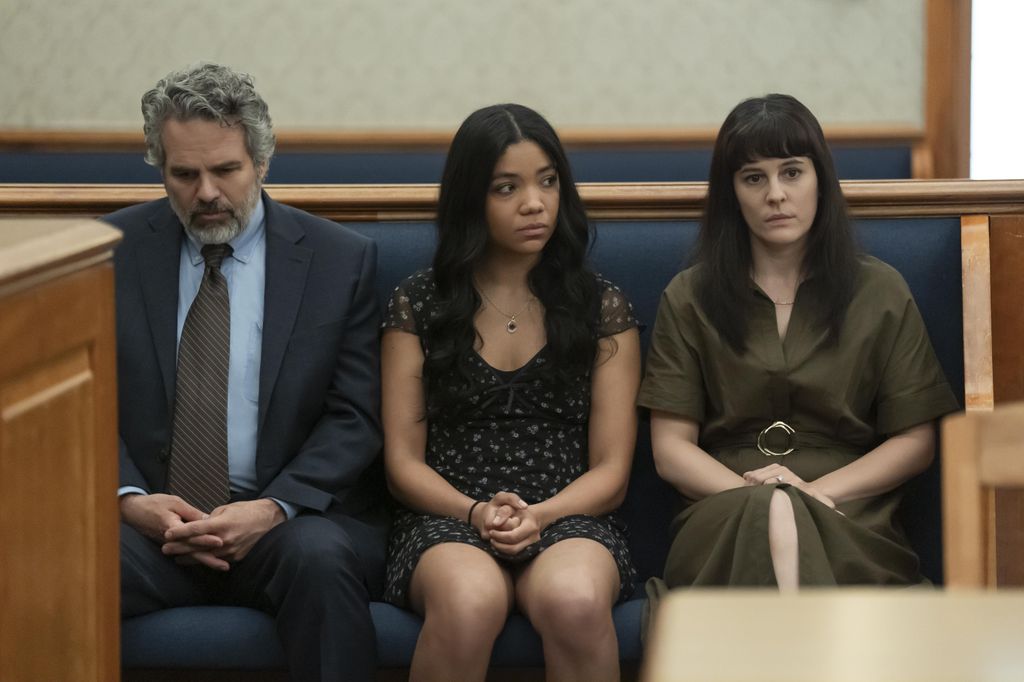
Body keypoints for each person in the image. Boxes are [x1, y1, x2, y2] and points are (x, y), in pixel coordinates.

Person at [104, 63, 386, 682]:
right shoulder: (109, 252)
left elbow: (356, 415)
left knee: (322, 558)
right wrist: (130, 501)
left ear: (261, 161)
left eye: (225, 170)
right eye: (184, 174)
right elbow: (82, 405)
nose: (205, 192)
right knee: (49, 559)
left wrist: (273, 509)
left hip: (283, 525)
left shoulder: (340, 260)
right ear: (161, 169)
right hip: (155, 524)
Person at [637, 94, 959, 601]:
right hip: (723, 507)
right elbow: (671, 450)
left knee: (784, 514)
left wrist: (811, 494)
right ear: (732, 193)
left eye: (792, 172)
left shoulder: (881, 290)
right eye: (753, 178)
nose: (775, 195)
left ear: (820, 181)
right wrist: (761, 496)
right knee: (774, 514)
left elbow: (915, 441)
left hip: (851, 509)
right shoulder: (689, 295)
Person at [381, 103, 640, 682]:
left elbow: (612, 470)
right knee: (471, 601)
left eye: (548, 182)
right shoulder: (418, 302)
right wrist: (476, 512)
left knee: (573, 599)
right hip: (446, 514)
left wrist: (541, 516)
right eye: (507, 188)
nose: (534, 203)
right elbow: (402, 463)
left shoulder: (601, 304)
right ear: (472, 199)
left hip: (571, 512)